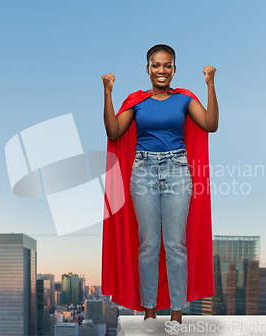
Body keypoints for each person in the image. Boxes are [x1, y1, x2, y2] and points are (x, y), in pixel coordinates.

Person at [101, 44, 219, 334]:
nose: (162, 70)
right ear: (148, 69)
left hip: (177, 170)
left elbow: (211, 124)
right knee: (149, 244)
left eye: (167, 65)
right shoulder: (136, 101)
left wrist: (210, 85)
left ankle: (176, 314)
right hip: (143, 171)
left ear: (174, 70)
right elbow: (113, 131)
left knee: (175, 244)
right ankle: (150, 312)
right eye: (156, 65)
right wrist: (108, 93)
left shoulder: (184, 99)